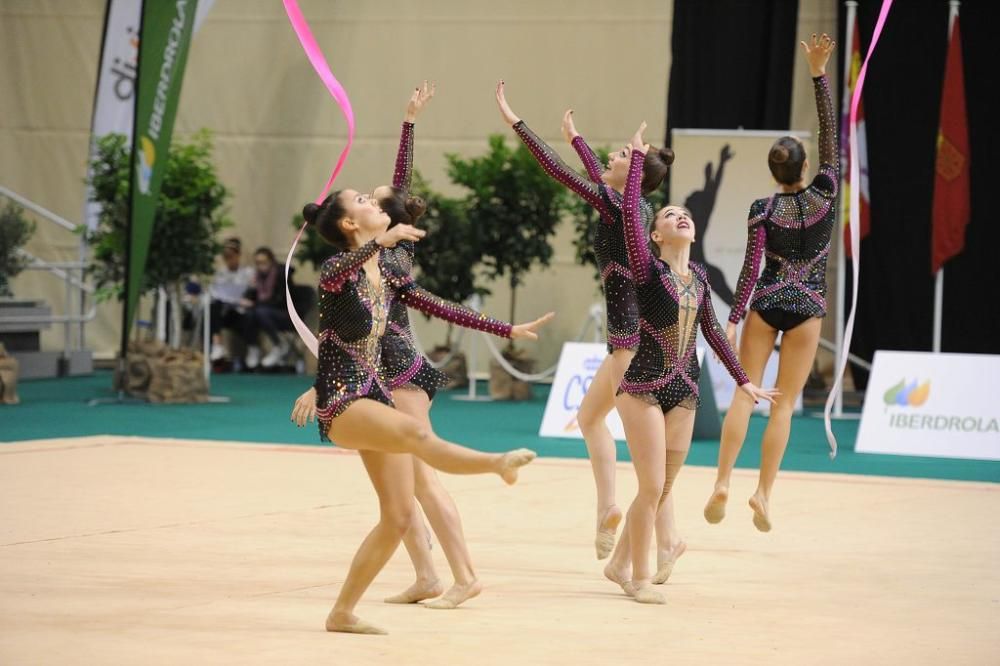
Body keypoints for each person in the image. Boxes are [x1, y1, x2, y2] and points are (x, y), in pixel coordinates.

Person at [289, 184, 552, 634]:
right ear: (350, 224)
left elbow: (438, 306)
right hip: (345, 401)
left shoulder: (387, 274)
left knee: (398, 517)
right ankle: (496, 463)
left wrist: (505, 328)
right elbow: (336, 299)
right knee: (416, 437)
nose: (375, 203)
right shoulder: (337, 269)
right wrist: (379, 243)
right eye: (363, 202)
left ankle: (341, 612)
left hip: (373, 397)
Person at [495, 82, 683, 581]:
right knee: (653, 460)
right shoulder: (640, 212)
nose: (612, 155)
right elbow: (596, 174)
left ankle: (607, 510)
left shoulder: (617, 204)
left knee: (591, 420)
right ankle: (668, 541)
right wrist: (575, 136)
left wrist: (517, 122)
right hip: (653, 345)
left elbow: (557, 172)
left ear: (636, 173)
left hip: (628, 345)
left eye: (623, 154)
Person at [609, 125, 778, 604]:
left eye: (685, 214)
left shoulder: (700, 279)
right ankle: (639, 577)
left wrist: (744, 380)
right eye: (669, 214)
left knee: (660, 492)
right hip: (640, 385)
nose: (680, 217)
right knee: (649, 486)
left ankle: (617, 564)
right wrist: (638, 160)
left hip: (683, 390)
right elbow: (626, 214)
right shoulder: (647, 268)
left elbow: (712, 334)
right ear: (656, 234)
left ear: (695, 230)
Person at [704, 34, 837, 533]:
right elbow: (830, 135)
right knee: (780, 404)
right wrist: (818, 73)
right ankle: (762, 494)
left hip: (767, 300)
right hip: (808, 305)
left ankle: (722, 481)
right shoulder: (826, 194)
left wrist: (734, 318)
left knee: (746, 393)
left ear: (772, 170)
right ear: (806, 167)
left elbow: (749, 266)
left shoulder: (762, 210)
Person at [240, 247, 293, 369]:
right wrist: (251, 290)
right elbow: (251, 298)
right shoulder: (257, 277)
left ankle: (279, 344)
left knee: (259, 311)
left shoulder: (282, 274)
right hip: (263, 312)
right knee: (249, 314)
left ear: (271, 261)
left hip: (284, 313)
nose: (260, 266)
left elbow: (281, 300)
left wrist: (255, 304)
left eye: (264, 262)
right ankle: (253, 347)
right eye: (258, 263)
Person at [208, 237, 255, 362]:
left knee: (251, 316)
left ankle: (253, 349)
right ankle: (217, 345)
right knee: (213, 308)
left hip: (241, 312)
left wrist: (242, 300)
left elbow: (251, 292)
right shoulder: (220, 273)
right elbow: (216, 294)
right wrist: (235, 301)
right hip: (224, 312)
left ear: (238, 255)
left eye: (231, 256)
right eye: (226, 257)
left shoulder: (248, 272)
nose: (229, 260)